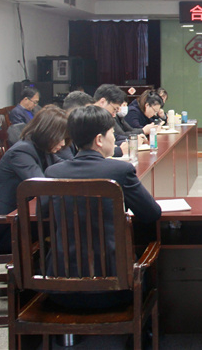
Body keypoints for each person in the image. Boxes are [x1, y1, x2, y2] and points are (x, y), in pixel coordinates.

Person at [44, 105, 161, 309]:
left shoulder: (53, 173)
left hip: (60, 288)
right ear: (99, 139)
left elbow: (45, 217)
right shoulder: (120, 170)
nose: (115, 139)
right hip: (115, 288)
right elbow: (151, 214)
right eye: (112, 133)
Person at [0, 105, 68, 253]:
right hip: (3, 225)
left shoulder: (42, 149)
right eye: (60, 138)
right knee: (67, 224)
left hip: (20, 217)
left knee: (66, 222)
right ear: (47, 133)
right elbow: (40, 185)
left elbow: (65, 167)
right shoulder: (21, 151)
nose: (63, 143)